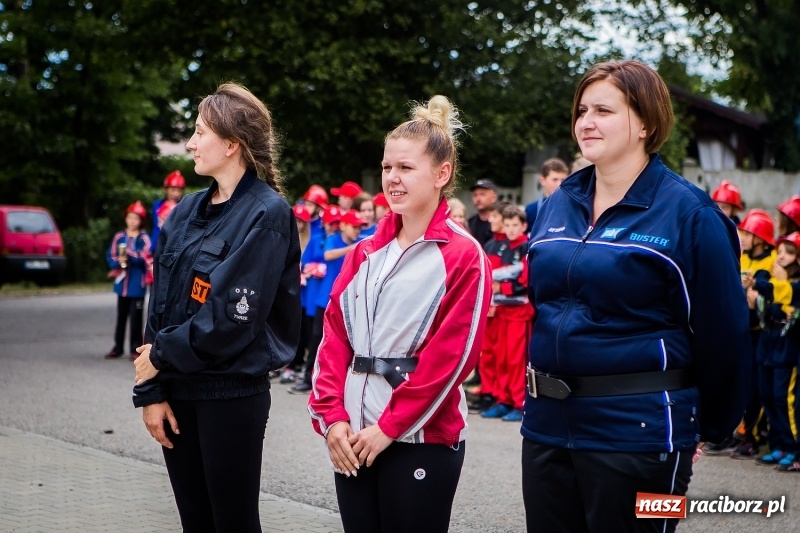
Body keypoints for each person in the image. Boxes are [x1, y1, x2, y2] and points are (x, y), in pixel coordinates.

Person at [522, 60, 750, 533]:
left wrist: (702, 427)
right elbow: (542, 305)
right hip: (546, 426)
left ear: (645, 122)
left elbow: (724, 332)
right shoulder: (555, 205)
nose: (586, 121)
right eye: (582, 110)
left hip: (643, 434)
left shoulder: (691, 215)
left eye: (604, 110)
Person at [308, 95, 491, 533]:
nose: (392, 178)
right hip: (353, 435)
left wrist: (389, 427)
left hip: (421, 440)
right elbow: (335, 338)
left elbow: (451, 360)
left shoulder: (464, 255)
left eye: (406, 168)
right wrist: (332, 419)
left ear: (442, 174)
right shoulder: (366, 250)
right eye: (388, 167)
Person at [131, 82, 301, 532]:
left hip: (230, 397)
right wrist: (152, 392)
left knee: (233, 523)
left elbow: (231, 319)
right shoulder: (184, 211)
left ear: (231, 144)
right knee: (195, 522)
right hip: (175, 393)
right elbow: (160, 304)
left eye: (200, 132)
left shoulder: (267, 214)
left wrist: (158, 357)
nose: (189, 143)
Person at [479, 204, 533, 422]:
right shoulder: (502, 246)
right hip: (502, 310)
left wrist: (504, 287)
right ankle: (503, 400)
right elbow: (492, 277)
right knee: (501, 358)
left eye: (515, 225)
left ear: (524, 226)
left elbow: (525, 281)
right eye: (507, 224)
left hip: (519, 311)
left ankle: (519, 403)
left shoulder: (526, 247)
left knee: (516, 360)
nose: (510, 229)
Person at [105, 201, 152, 360]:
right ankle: (117, 347)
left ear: (141, 221)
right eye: (130, 217)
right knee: (121, 317)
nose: (132, 221)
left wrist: (130, 254)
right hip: (121, 284)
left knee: (136, 319)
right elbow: (110, 255)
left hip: (136, 285)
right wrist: (117, 261)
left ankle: (135, 348)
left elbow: (146, 257)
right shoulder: (119, 236)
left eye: (136, 218)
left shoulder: (144, 237)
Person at [524, 157, 569, 230]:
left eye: (563, 180)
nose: (559, 184)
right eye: (555, 179)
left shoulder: (572, 208)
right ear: (543, 180)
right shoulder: (531, 210)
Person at [151, 170, 186, 252]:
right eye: (173, 190)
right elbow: (156, 226)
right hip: (158, 244)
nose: (176, 194)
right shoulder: (157, 205)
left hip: (175, 246)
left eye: (179, 190)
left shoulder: (184, 206)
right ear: (166, 189)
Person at [467, 178, 498, 246]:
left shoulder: (501, 223)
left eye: (482, 194)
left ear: (493, 198)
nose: (478, 199)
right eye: (475, 195)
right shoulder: (469, 223)